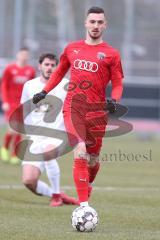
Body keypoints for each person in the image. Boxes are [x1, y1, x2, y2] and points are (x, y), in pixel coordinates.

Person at [33, 7, 124, 207]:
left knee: (92, 159)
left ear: (105, 25)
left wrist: (114, 100)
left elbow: (117, 83)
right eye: (92, 21)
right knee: (80, 150)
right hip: (73, 108)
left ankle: (88, 184)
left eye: (100, 22)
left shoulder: (111, 54)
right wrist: (44, 92)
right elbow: (58, 73)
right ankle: (84, 207)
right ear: (86, 23)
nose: (96, 26)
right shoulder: (72, 48)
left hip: (97, 112)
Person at [20, 53, 79, 207]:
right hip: (35, 137)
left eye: (53, 65)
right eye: (46, 64)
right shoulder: (29, 86)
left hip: (56, 135)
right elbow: (25, 111)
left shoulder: (66, 85)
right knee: (29, 181)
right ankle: (57, 193)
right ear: (40, 66)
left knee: (48, 151)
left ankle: (56, 196)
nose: (49, 68)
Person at [0, 47, 36, 165]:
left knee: (19, 129)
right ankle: (5, 147)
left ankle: (15, 154)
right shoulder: (10, 69)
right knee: (13, 128)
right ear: (18, 55)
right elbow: (4, 86)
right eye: (22, 55)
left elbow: (31, 87)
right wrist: (4, 101)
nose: (24, 57)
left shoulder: (30, 71)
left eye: (26, 55)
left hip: (23, 104)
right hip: (10, 104)